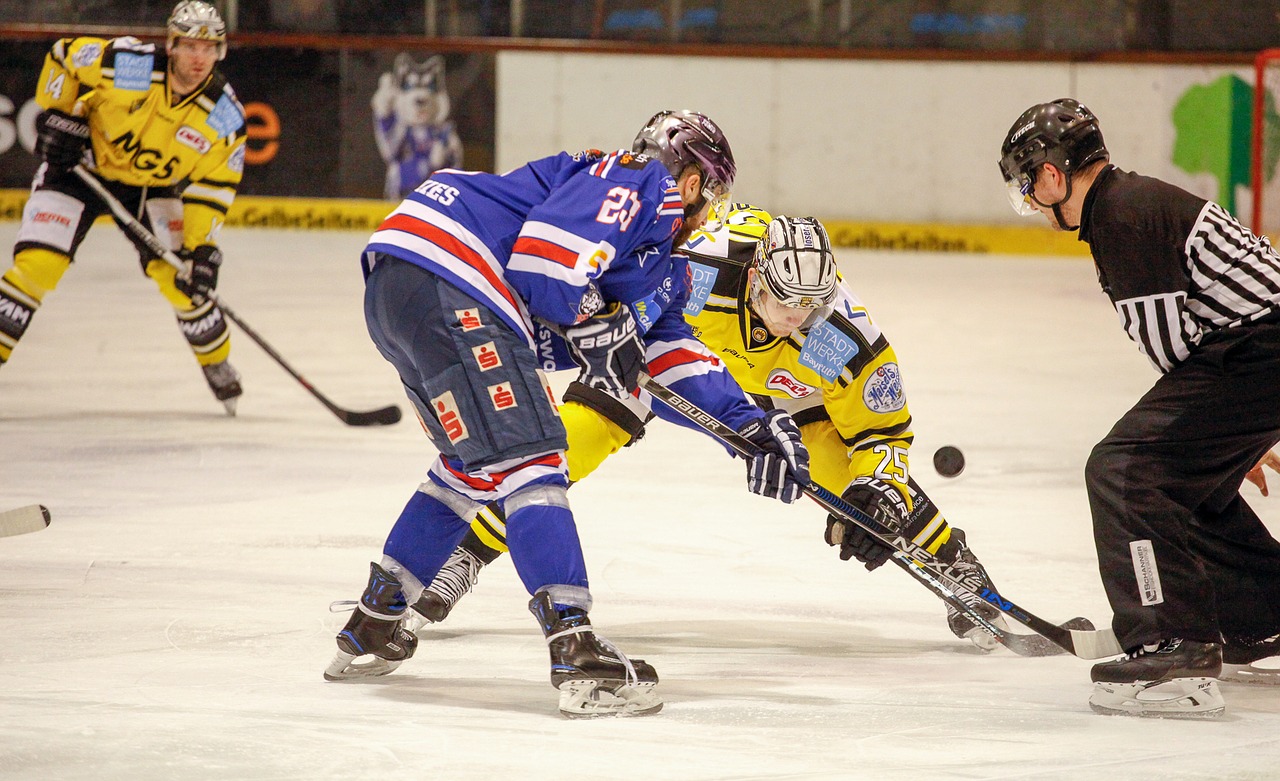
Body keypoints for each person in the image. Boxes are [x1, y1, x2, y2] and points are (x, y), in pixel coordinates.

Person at [325, 110, 810, 719]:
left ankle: (375, 619)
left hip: (403, 284)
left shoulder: (654, 258)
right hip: (456, 276)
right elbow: (547, 267)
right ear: (690, 181)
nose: (708, 212)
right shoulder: (639, 182)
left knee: (471, 466)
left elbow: (668, 351)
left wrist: (749, 426)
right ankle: (574, 647)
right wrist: (603, 329)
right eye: (710, 195)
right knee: (533, 460)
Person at [394, 203, 1009, 653]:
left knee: (853, 477)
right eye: (785, 302)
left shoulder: (834, 335)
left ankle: (956, 564)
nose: (797, 319)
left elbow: (882, 432)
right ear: (757, 278)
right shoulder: (699, 277)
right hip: (671, 365)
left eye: (811, 307)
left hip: (780, 399)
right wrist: (613, 342)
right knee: (559, 447)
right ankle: (465, 554)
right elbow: (614, 300)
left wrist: (873, 491)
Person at [999, 98, 1280, 718]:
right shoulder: (1131, 201)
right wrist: (1225, 437)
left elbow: (1176, 353)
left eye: (1028, 184)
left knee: (1126, 470)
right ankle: (1261, 615)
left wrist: (1231, 432)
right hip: (1258, 349)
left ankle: (1172, 646)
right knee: (1184, 479)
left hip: (1259, 349)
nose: (1032, 202)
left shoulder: (1120, 218)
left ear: (1051, 175)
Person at [0, 0, 247, 414]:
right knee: (37, 266)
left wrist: (201, 247)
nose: (199, 57)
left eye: (209, 48)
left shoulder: (224, 116)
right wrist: (58, 115)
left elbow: (215, 183)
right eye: (190, 46)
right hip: (79, 169)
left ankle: (216, 361)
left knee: (183, 280)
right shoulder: (127, 64)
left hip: (150, 187)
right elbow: (64, 57)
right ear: (171, 46)